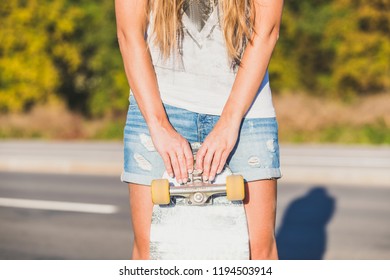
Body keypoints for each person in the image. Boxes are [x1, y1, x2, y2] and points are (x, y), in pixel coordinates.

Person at [115, 0, 284, 260]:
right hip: (160, 107)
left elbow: (266, 31)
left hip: (247, 110)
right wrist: (159, 125)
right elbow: (129, 33)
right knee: (152, 252)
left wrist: (229, 122)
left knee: (257, 251)